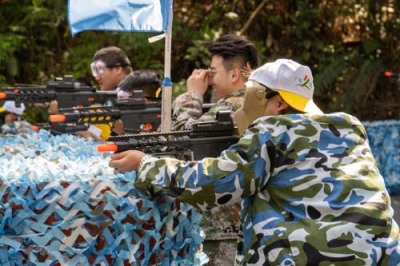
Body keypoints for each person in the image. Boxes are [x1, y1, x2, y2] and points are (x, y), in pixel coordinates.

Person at [108, 59, 400, 265]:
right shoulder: (349, 129)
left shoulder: (272, 130)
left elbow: (213, 184)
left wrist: (146, 163)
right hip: (380, 255)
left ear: (278, 102)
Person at [172, 34, 259, 131]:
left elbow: (182, 135)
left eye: (213, 72)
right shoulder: (266, 102)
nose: (210, 81)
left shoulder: (229, 107)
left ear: (234, 75)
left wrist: (192, 95)